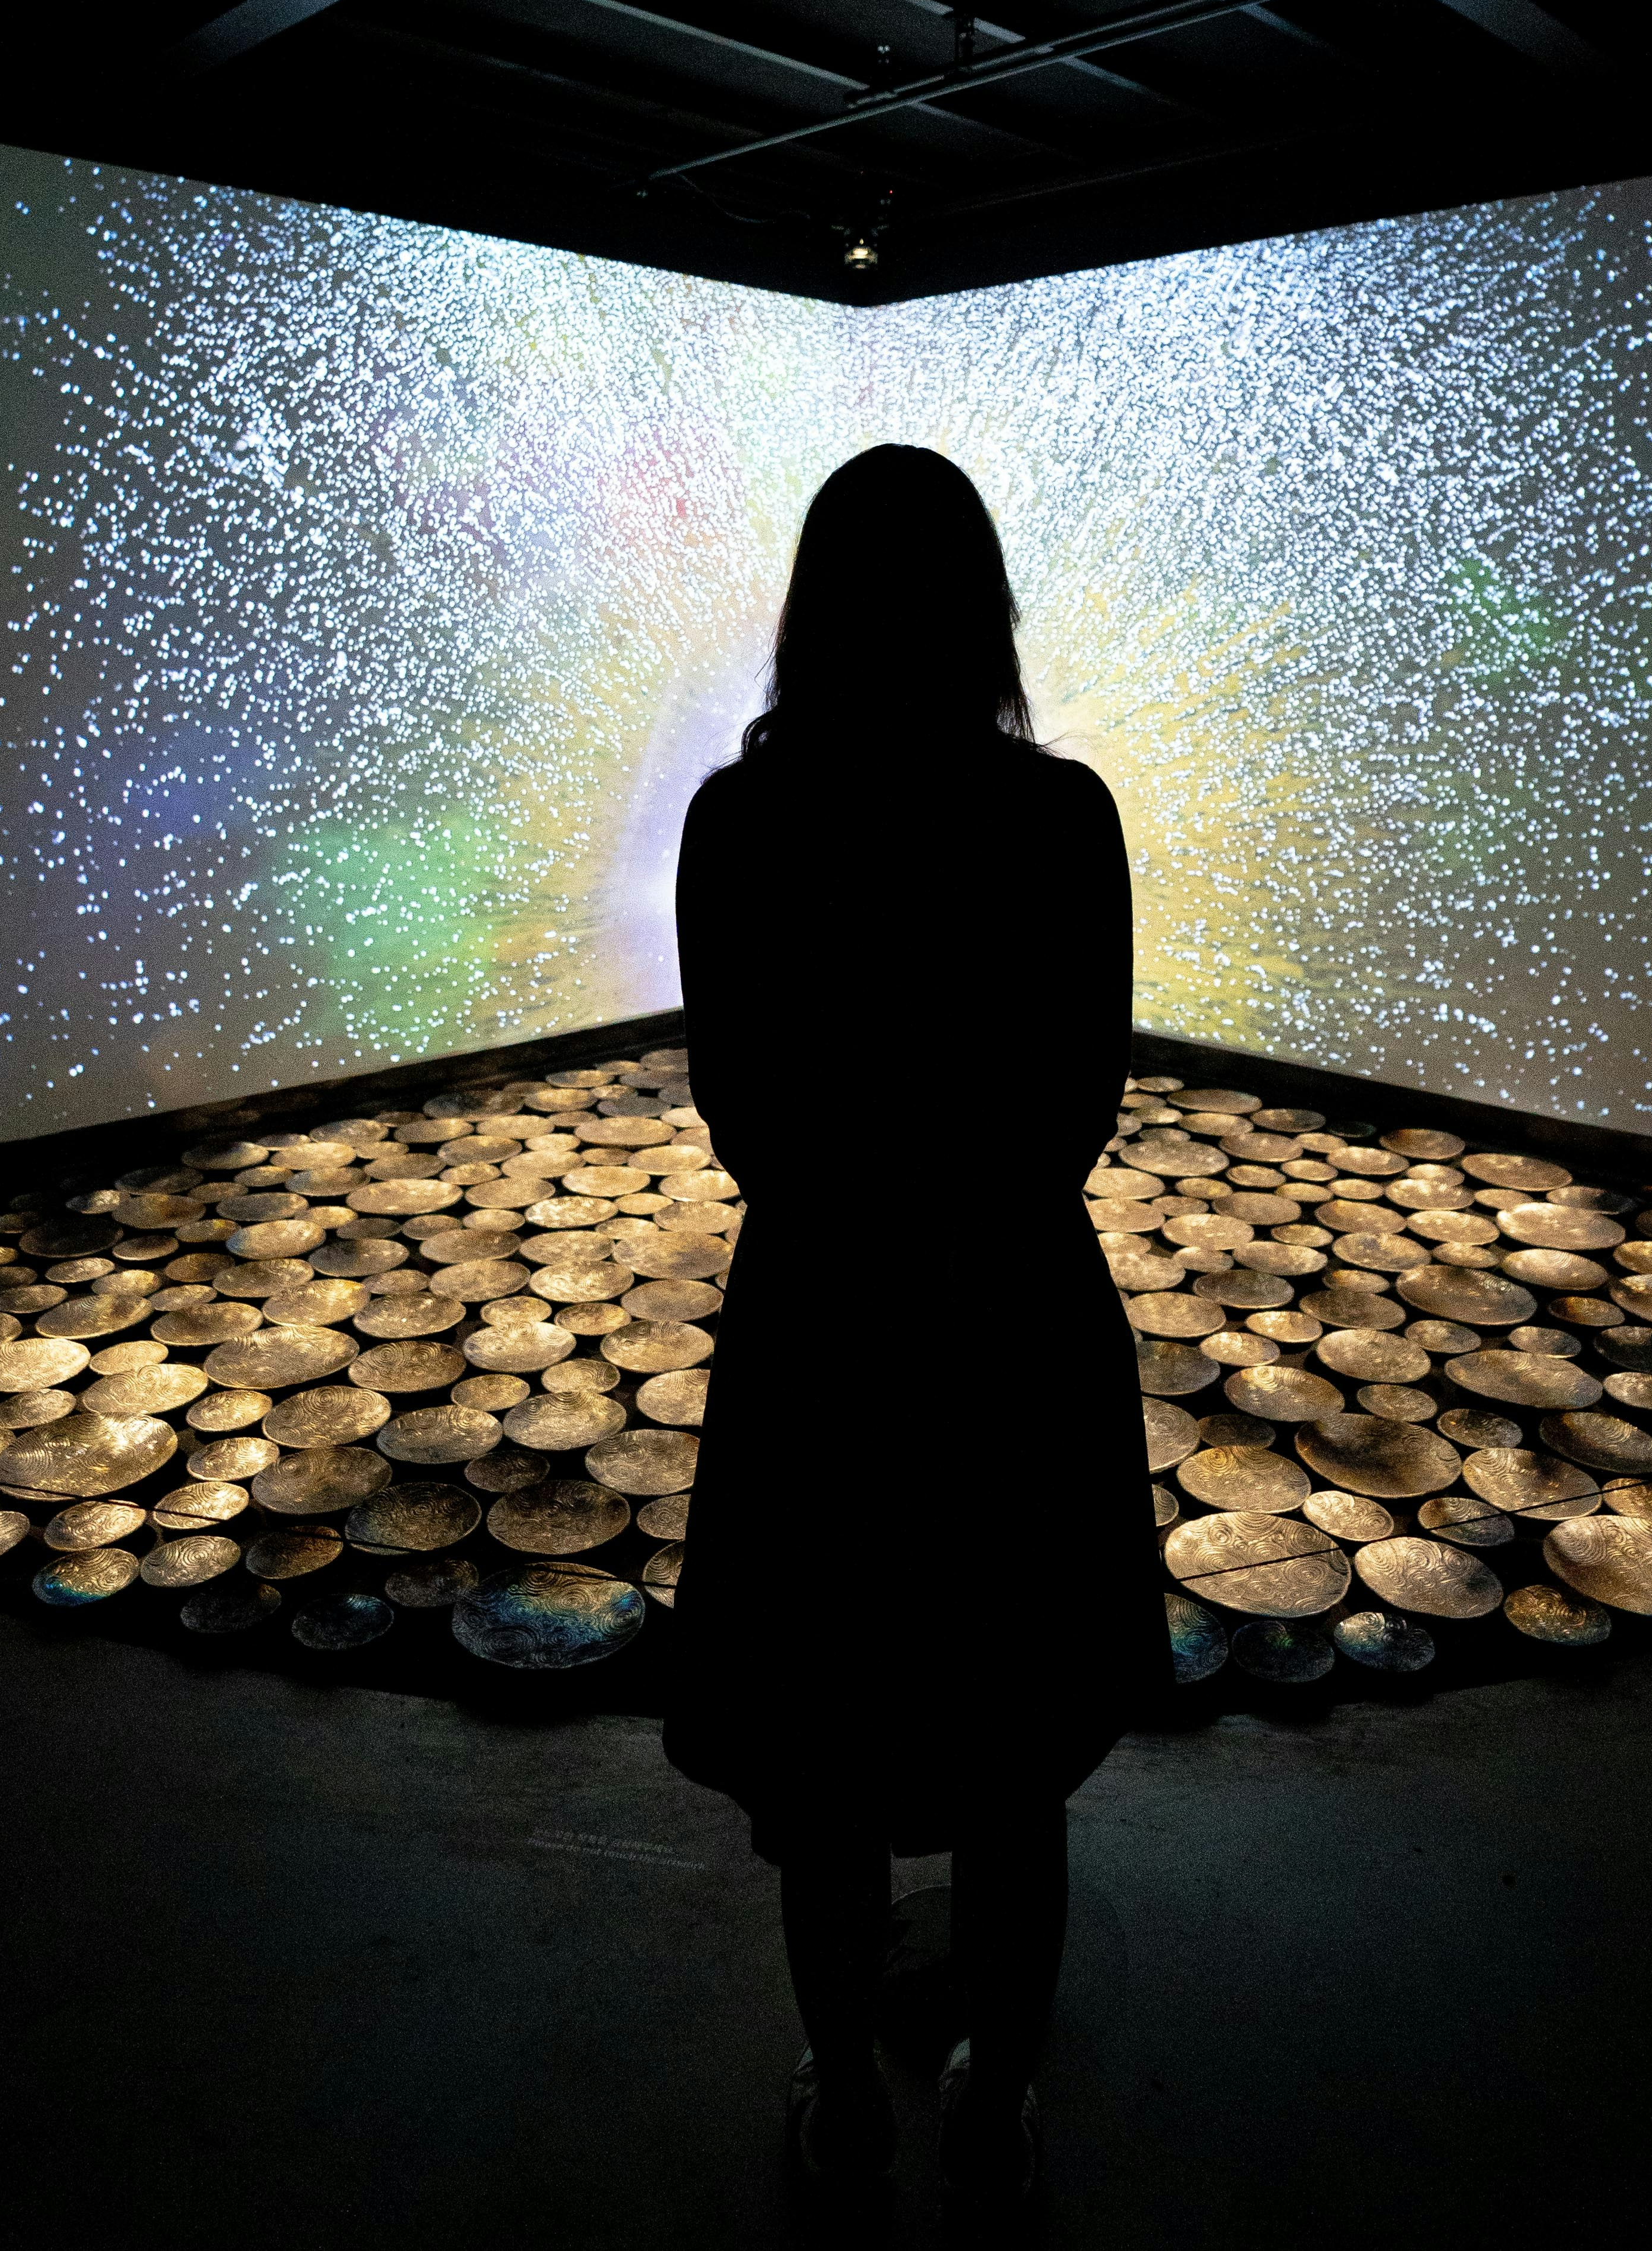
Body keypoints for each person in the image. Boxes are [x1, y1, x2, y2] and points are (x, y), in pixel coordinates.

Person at [667, 444, 1170, 2206]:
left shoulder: (744, 822)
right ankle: (993, 2095)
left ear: (812, 609)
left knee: (824, 1752)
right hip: (1014, 1331)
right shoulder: (1061, 818)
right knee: (1015, 1749)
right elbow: (1077, 1106)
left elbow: (741, 1106)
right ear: (988, 609)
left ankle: (846, 2096)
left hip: (820, 1342)